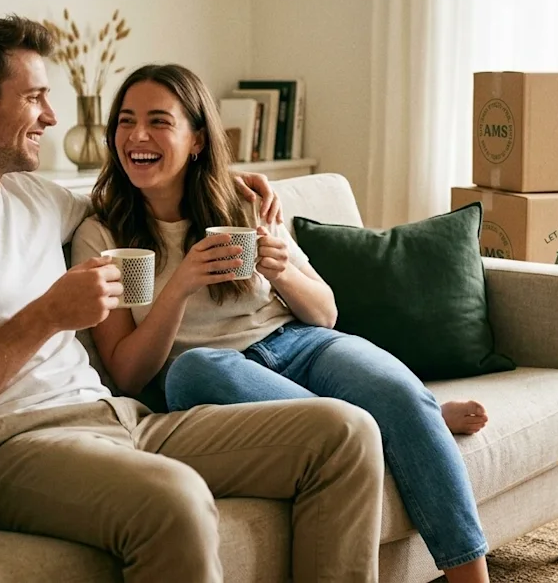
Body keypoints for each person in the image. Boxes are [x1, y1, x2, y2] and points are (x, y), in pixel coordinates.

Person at [0, 12, 390, 583]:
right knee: (174, 501)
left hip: (119, 418)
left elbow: (145, 186)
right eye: (34, 99)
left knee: (343, 434)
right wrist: (48, 315)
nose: (51, 117)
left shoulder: (35, 198)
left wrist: (225, 178)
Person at [70, 63, 493, 583]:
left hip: (300, 343)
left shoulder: (244, 204)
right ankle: (393, 426)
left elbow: (326, 314)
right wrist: (178, 285)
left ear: (197, 138)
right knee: (193, 371)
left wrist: (285, 270)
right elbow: (128, 373)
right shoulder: (105, 235)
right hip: (207, 370)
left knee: (400, 392)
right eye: (126, 122)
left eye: (159, 121)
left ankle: (464, 555)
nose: (137, 136)